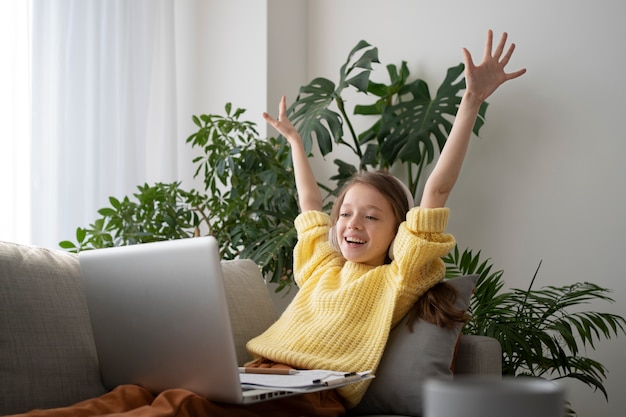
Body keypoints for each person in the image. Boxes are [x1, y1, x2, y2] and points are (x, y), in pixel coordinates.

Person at [15, 30, 525, 417]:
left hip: (316, 396)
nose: (352, 223)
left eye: (373, 217)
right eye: (346, 212)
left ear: (398, 232)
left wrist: (471, 100)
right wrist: (296, 144)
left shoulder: (398, 277)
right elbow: (309, 204)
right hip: (259, 375)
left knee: (181, 405)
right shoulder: (322, 266)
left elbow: (435, 191)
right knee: (133, 393)